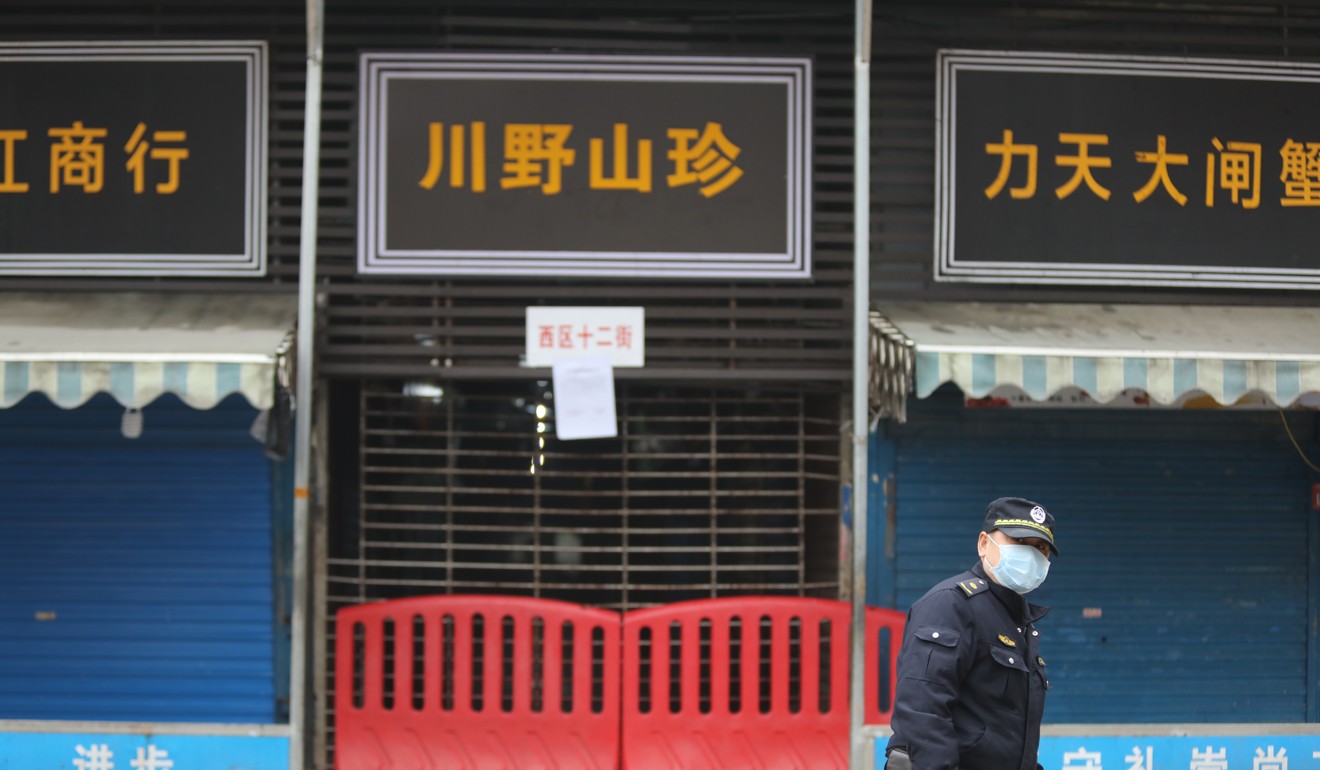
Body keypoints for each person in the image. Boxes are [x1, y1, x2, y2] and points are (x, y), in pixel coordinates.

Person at [884, 497, 1059, 770]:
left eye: (1040, 548)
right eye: (1019, 542)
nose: (1031, 555)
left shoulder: (1019, 623)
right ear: (983, 543)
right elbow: (922, 710)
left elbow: (1005, 731)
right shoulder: (951, 605)